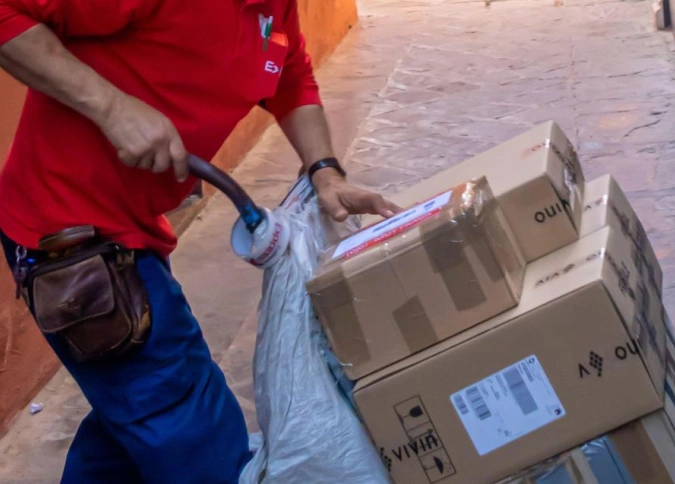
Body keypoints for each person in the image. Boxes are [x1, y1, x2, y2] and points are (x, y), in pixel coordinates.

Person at [0, 1, 399, 482]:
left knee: (128, 415)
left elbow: (292, 80)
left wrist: (325, 171)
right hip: (71, 236)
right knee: (195, 432)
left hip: (134, 236)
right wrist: (112, 107)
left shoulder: (275, 8)